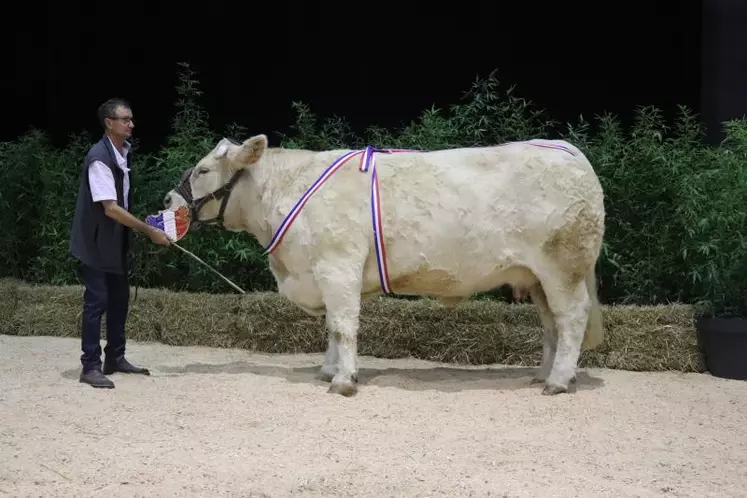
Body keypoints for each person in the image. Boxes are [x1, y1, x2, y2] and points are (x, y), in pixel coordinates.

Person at [69, 97, 171, 389]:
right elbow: (111, 208)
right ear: (109, 123)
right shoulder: (99, 157)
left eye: (131, 119)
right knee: (96, 303)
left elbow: (122, 203)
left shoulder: (122, 153)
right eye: (125, 119)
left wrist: (146, 223)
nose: (131, 124)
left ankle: (115, 357)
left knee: (119, 301)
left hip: (114, 241)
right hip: (96, 242)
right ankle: (90, 366)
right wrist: (147, 230)